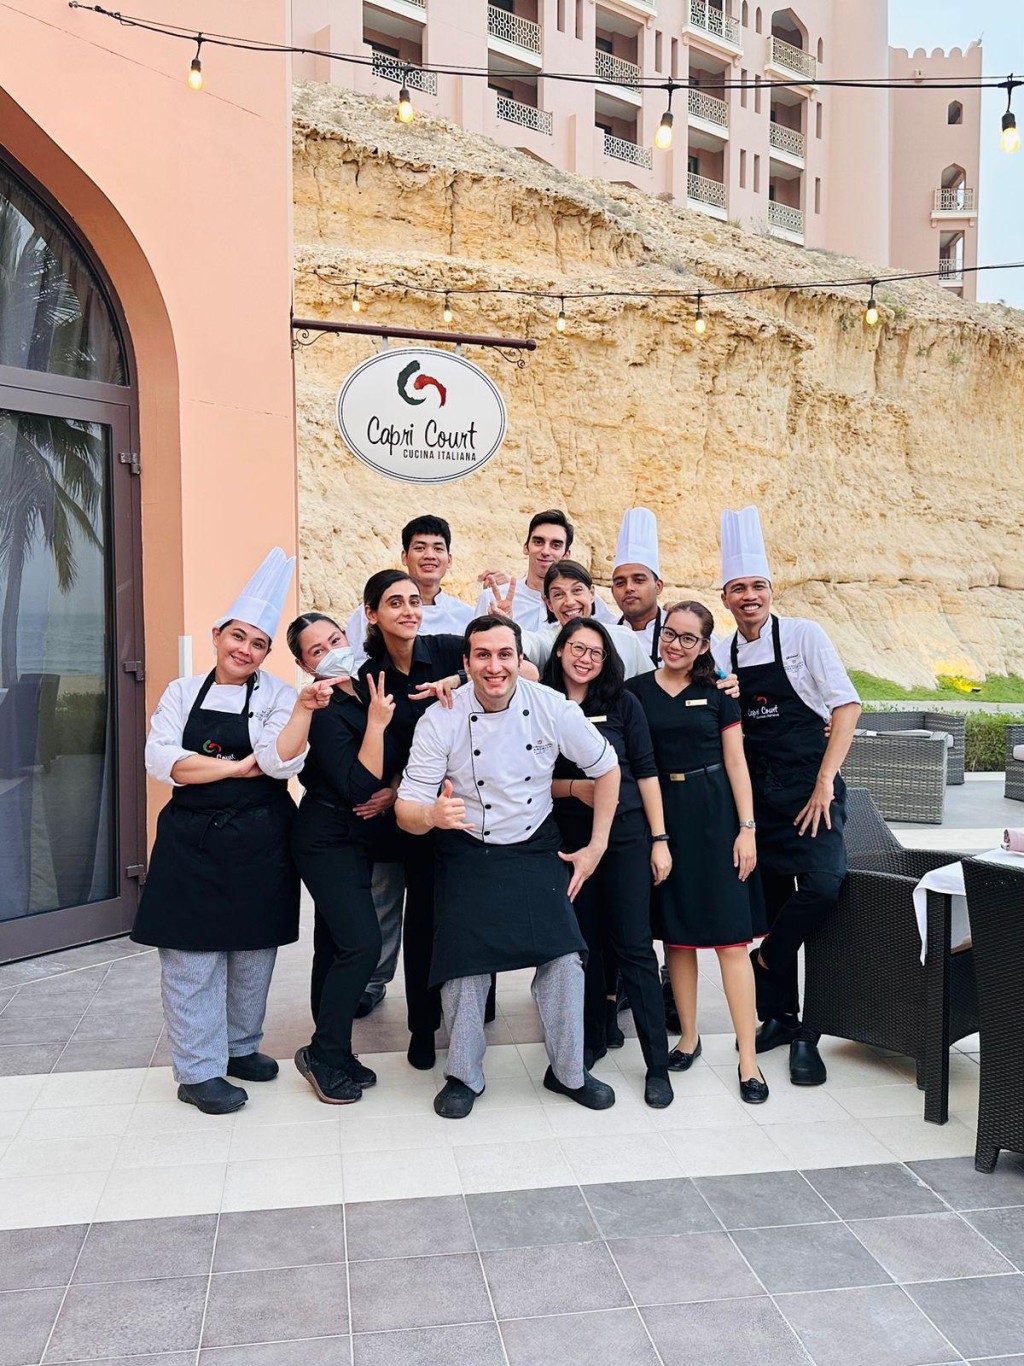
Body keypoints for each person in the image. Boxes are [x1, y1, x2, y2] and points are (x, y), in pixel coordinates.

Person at [395, 614, 621, 1119]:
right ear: (467, 662)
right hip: (468, 849)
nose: (494, 667)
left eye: (504, 655)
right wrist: (432, 814)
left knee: (564, 959)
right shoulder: (441, 719)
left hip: (535, 846)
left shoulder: (551, 708)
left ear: (521, 660)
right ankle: (464, 1074)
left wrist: (597, 845)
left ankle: (569, 1071)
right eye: (482, 656)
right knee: (464, 966)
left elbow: (607, 768)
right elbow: (405, 810)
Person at [133, 549, 331, 1116]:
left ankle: (240, 1047)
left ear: (268, 652)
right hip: (189, 840)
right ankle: (197, 1072)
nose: (245, 650)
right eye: (237, 637)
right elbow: (161, 760)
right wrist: (235, 765)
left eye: (258, 643)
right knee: (192, 957)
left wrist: (229, 761)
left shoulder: (277, 695)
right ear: (217, 633)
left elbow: (279, 761)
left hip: (261, 836)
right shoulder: (180, 691)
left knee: (253, 952)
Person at [713, 506, 861, 1087]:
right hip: (760, 801)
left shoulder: (803, 635)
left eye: (757, 586)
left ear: (770, 590)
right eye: (738, 588)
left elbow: (845, 707)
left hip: (810, 791)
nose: (749, 596)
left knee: (826, 884)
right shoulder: (722, 654)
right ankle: (787, 1023)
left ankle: (769, 956)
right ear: (725, 597)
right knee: (775, 903)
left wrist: (826, 782)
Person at [629, 601, 769, 1105]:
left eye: (689, 638)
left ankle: (748, 1059)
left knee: (732, 943)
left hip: (717, 819)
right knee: (678, 939)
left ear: (705, 646)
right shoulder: (636, 692)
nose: (675, 644)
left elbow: (737, 764)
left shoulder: (717, 695)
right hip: (663, 820)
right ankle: (687, 1039)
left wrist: (747, 828)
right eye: (670, 633)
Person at [345, 517, 474, 1021]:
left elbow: (508, 667)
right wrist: (389, 789)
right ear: (372, 615)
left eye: (414, 602)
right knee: (382, 900)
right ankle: (374, 981)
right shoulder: (366, 677)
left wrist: (458, 679)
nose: (408, 611)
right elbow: (367, 745)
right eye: (395, 603)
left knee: (440, 908)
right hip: (385, 811)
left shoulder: (445, 649)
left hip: (443, 806)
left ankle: (448, 989)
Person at [544, 617, 673, 1108]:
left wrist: (659, 840)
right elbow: (528, 775)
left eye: (596, 653)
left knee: (634, 946)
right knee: (584, 945)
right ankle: (591, 1042)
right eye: (577, 648)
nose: (585, 659)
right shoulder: (542, 703)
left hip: (623, 837)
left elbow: (645, 773)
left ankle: (657, 1065)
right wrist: (575, 788)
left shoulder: (622, 704)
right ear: (560, 651)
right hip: (565, 839)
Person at [287, 611, 396, 1104]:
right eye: (317, 650)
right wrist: (376, 725)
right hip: (326, 836)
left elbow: (388, 770)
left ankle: (336, 1048)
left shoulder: (363, 686)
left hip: (357, 839)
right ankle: (322, 1051)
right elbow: (358, 785)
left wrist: (394, 788)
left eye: (335, 638)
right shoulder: (325, 710)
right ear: (304, 665)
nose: (331, 649)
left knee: (334, 946)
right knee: (361, 945)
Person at [488, 560, 653, 679]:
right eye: (558, 594)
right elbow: (526, 641)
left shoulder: (626, 638)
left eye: (577, 590)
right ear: (549, 604)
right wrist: (505, 624)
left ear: (592, 593)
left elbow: (651, 686)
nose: (570, 602)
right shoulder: (548, 641)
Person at [474, 508, 616, 630]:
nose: (545, 551)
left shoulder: (585, 601)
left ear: (566, 555)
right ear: (526, 547)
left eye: (556, 545)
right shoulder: (493, 598)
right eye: (538, 542)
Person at [611, 507, 666, 667]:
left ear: (658, 586)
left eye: (639, 580)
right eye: (620, 583)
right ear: (612, 591)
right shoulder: (607, 633)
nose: (629, 588)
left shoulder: (683, 632)